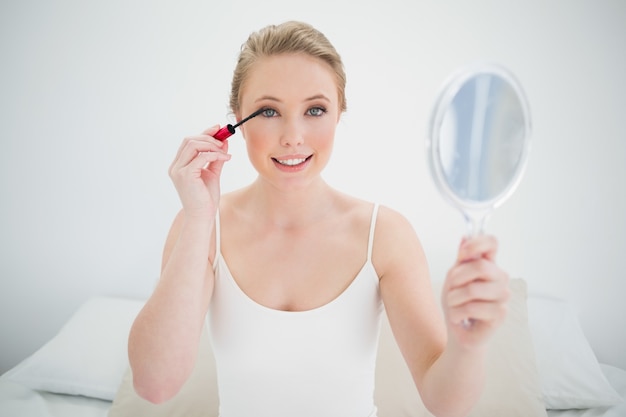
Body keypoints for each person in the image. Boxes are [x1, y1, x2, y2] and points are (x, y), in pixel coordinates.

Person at [128, 20, 510, 417]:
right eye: (268, 111)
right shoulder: (201, 227)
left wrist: (469, 345)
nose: (293, 135)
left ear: (338, 113)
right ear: (235, 120)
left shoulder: (384, 235)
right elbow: (155, 384)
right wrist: (198, 217)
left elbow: (445, 402)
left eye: (314, 109)